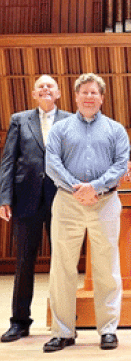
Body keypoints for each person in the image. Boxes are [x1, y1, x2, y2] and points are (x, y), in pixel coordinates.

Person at [43, 73, 130, 352]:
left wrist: (94, 187)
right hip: (67, 202)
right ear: (76, 97)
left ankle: (107, 329)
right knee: (62, 267)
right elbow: (52, 162)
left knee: (107, 267)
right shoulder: (60, 128)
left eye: (94, 93)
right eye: (84, 93)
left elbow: (120, 165)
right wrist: (77, 188)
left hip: (105, 202)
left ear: (102, 98)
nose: (89, 97)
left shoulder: (116, 130)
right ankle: (63, 331)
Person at [0, 76, 70, 343]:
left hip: (60, 198)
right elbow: (8, 160)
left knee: (63, 263)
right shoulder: (19, 119)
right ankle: (19, 322)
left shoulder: (70, 120)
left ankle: (65, 321)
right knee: (23, 262)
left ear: (59, 93)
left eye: (50, 86)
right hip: (25, 198)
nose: (45, 89)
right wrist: (4, 197)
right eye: (40, 86)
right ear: (33, 93)